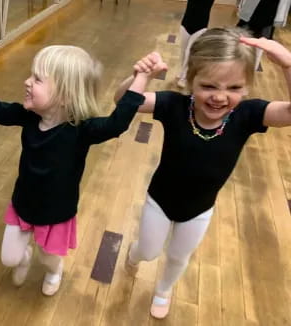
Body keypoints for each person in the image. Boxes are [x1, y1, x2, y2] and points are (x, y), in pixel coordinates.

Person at [114, 27, 291, 319]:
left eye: (234, 88)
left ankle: (164, 289)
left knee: (178, 257)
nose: (220, 97)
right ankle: (136, 254)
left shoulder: (247, 115)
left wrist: (287, 64)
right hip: (159, 200)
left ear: (246, 86)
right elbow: (123, 103)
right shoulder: (173, 105)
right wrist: (139, 76)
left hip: (199, 210)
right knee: (147, 251)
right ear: (190, 79)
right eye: (209, 86)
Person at [0, 41, 163, 295]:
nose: (26, 82)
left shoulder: (81, 130)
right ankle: (25, 257)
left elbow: (117, 124)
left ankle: (54, 271)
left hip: (56, 212)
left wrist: (141, 79)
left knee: (49, 259)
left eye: (37, 79)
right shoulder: (28, 117)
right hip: (23, 204)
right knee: (10, 258)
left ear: (65, 94)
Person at [177, 0, 215, 88]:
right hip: (185, 23)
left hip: (200, 27)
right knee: (183, 51)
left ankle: (185, 77)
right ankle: (182, 71)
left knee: (189, 52)